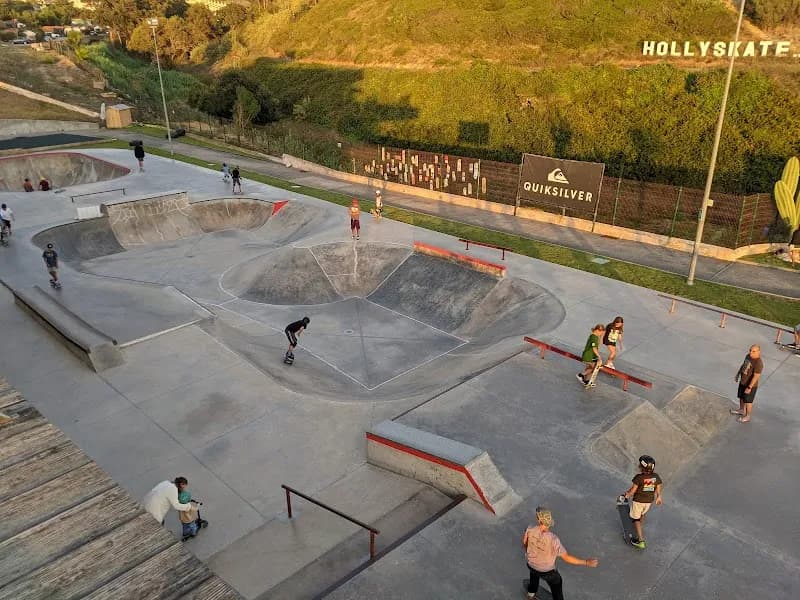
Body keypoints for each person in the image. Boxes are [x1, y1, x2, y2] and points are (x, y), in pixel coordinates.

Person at [522, 506, 598, 600]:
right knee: (556, 583)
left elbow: (525, 543)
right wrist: (586, 562)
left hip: (531, 564)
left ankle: (530, 595)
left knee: (534, 575)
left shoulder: (529, 529)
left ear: (538, 520)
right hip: (547, 571)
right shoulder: (553, 540)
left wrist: (530, 554)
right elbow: (566, 557)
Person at [619, 455, 663, 549]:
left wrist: (627, 495)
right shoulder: (655, 477)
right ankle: (638, 528)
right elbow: (658, 486)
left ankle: (640, 540)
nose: (638, 465)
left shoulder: (639, 478)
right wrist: (659, 496)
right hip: (648, 502)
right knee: (642, 514)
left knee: (635, 518)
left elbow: (633, 490)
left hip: (639, 501)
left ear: (642, 467)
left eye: (639, 464)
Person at [730, 344, 763, 423]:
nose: (751, 352)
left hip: (750, 385)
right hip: (743, 381)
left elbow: (756, 376)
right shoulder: (748, 356)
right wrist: (738, 374)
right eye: (750, 350)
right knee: (741, 397)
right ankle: (741, 410)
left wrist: (749, 387)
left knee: (748, 401)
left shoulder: (758, 363)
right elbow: (743, 365)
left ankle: (747, 416)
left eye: (753, 351)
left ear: (759, 352)